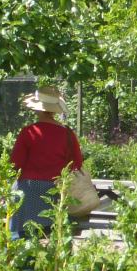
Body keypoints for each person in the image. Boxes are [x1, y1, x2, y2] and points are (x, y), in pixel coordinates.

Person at [9, 85, 83, 237]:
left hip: (27, 190)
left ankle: (25, 259)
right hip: (55, 191)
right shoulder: (68, 134)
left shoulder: (29, 132)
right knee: (54, 235)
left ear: (37, 108)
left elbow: (15, 164)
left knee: (22, 235)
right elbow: (77, 164)